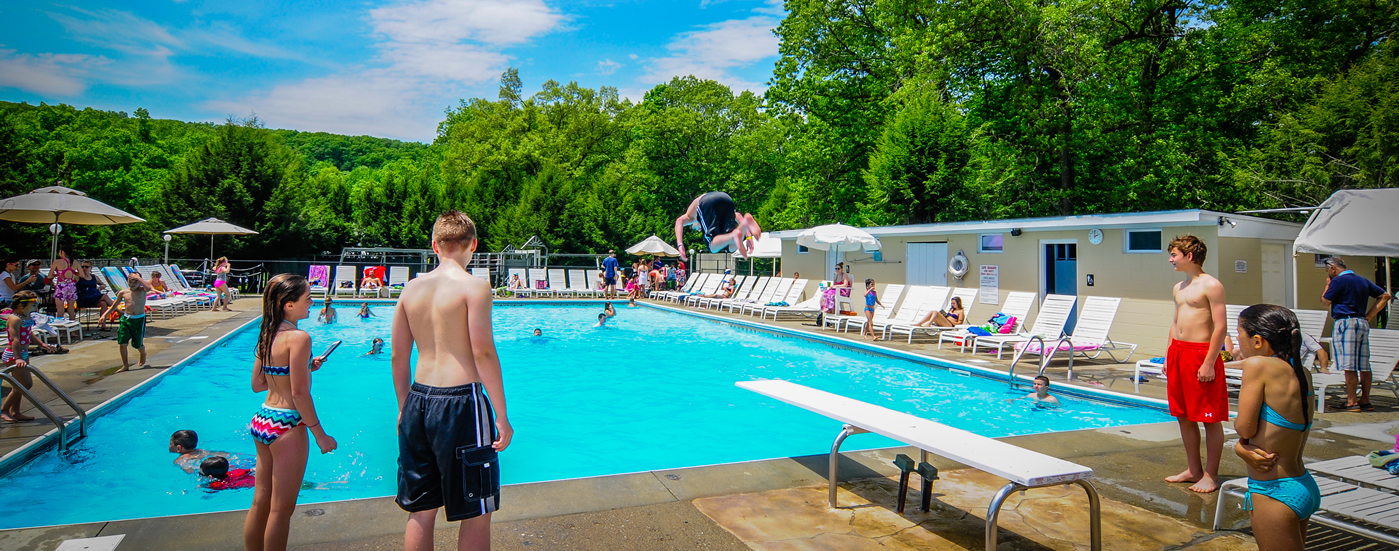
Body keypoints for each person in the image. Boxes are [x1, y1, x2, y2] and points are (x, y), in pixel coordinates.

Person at [391, 210, 511, 551]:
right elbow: (483, 353)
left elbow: (399, 356)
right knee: (476, 511)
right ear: (473, 244)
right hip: (460, 405)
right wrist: (501, 416)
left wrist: (404, 407)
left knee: (421, 509)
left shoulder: (411, 289)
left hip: (417, 400)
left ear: (434, 245)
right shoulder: (474, 287)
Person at [244, 274, 336, 551]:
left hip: (263, 419)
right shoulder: (299, 338)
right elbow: (299, 394)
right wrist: (320, 435)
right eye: (307, 298)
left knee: (260, 501)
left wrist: (305, 368)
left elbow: (258, 384)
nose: (312, 302)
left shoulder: (268, 332)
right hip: (287, 424)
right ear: (288, 304)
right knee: (281, 509)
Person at [1232, 304, 1319, 551]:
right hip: (1301, 483)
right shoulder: (1301, 371)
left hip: (1274, 490)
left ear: (1257, 341)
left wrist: (1239, 447)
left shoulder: (1258, 365)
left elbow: (1245, 428)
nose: (1237, 338)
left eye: (1239, 333)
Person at [1164, 235, 1228, 493]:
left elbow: (1221, 326)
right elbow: (1175, 322)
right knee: (1183, 415)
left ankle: (1211, 475)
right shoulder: (1179, 287)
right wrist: (1168, 355)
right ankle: (1194, 469)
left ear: (1190, 256)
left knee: (1210, 419)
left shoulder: (1211, 285)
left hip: (1201, 354)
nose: (1170, 259)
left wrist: (1210, 362)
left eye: (1174, 255)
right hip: (1178, 352)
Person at [1321, 257, 1393, 412]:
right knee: (1364, 364)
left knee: (1349, 364)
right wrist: (1370, 315)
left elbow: (1325, 302)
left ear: (1333, 268)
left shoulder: (1338, 281)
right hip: (1361, 322)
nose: (1328, 274)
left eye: (1327, 270)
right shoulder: (1362, 280)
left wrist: (1328, 285)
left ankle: (1351, 402)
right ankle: (1365, 400)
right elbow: (1385, 296)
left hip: (1346, 323)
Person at [2, 292, 59, 422]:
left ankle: (15, 412)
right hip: (13, 354)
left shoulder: (25, 317)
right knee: (26, 384)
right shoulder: (15, 319)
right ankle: (4, 410)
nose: (35, 308)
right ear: (21, 306)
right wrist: (18, 358)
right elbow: (15, 339)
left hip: (23, 354)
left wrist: (41, 344)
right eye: (33, 306)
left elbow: (30, 333)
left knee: (19, 384)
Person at [673, 191, 763, 259]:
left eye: (697, 228)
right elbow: (738, 215)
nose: (700, 229)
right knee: (731, 247)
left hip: (707, 201)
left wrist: (680, 245)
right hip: (726, 197)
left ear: (692, 225)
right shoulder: (714, 217)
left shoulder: (691, 217)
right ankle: (744, 224)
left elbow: (679, 221)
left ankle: (734, 235)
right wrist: (748, 236)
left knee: (712, 247)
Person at [102, 273, 151, 373]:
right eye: (130, 281)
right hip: (126, 319)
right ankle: (125, 365)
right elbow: (114, 306)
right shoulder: (123, 292)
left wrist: (138, 278)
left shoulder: (142, 290)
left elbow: (148, 288)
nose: (132, 283)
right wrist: (104, 315)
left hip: (139, 320)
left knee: (137, 344)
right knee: (122, 343)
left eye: (135, 281)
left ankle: (142, 353)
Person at [74, 262, 114, 331]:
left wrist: (101, 287)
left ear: (90, 268)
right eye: (82, 267)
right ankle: (119, 311)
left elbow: (103, 284)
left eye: (86, 267)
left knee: (103, 303)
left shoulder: (94, 277)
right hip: (84, 298)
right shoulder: (77, 277)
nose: (84, 268)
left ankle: (103, 325)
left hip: (94, 297)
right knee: (104, 296)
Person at [51, 249, 78, 321]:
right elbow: (81, 274)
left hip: (61, 286)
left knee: (60, 308)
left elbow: (49, 275)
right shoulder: (75, 262)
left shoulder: (57, 262)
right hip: (72, 285)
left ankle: (60, 329)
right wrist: (72, 274)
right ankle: (72, 330)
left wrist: (58, 274)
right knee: (71, 308)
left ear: (62, 252)